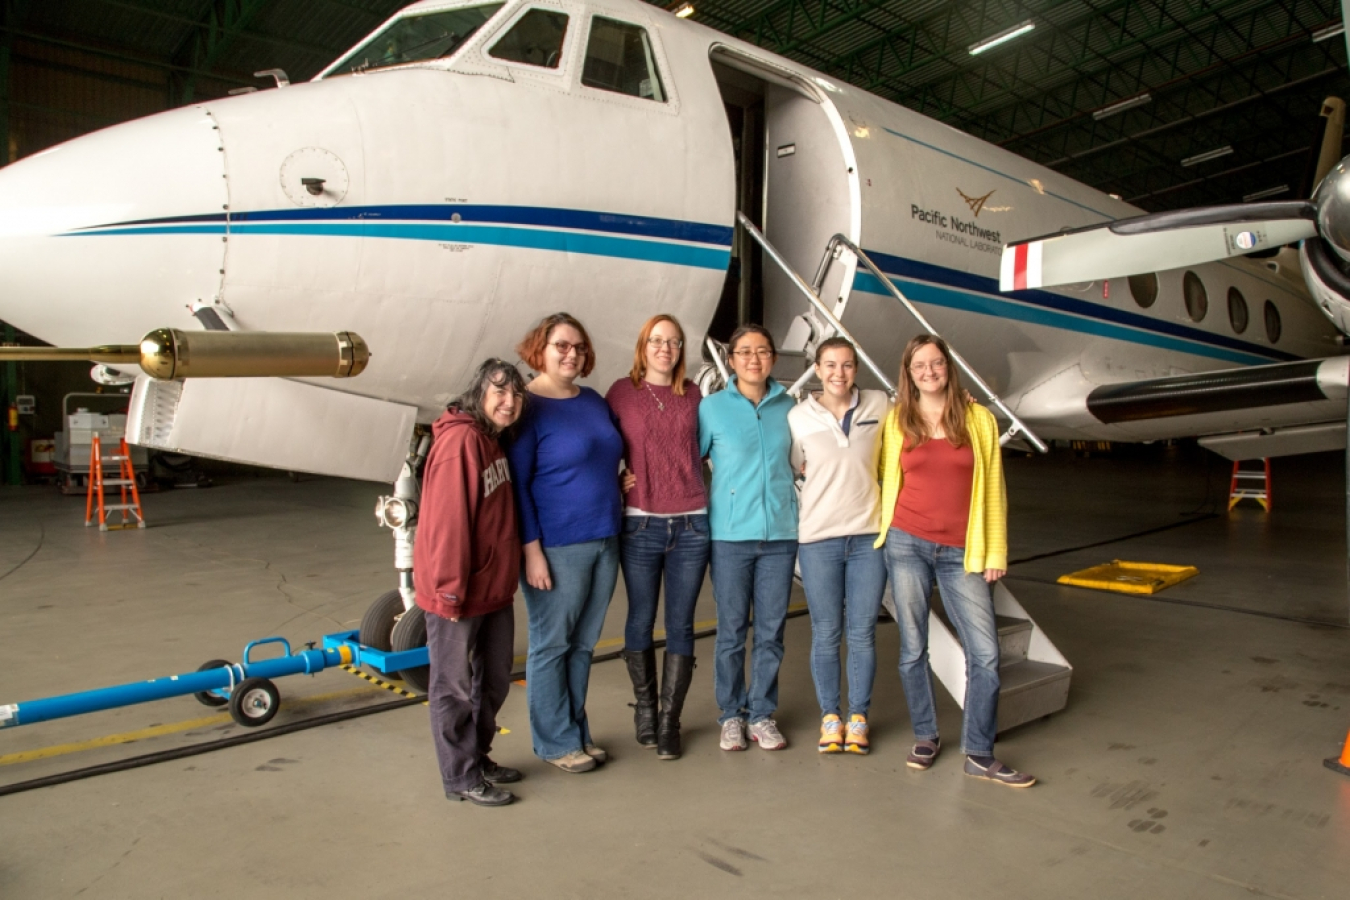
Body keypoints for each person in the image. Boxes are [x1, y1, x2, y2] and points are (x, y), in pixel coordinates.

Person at [877, 335, 1035, 787]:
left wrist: (995, 551)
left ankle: (980, 752)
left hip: (962, 551)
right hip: (906, 543)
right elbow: (882, 476)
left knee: (985, 653)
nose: (928, 371)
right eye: (919, 365)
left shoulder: (978, 419)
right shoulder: (897, 421)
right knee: (912, 648)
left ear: (949, 367)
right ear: (908, 374)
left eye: (936, 363)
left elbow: (995, 487)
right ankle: (926, 734)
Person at [506, 313, 625, 775]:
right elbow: (517, 485)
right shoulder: (528, 407)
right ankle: (554, 742)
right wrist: (531, 549)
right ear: (540, 349)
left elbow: (605, 455)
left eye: (578, 347)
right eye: (561, 345)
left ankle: (576, 732)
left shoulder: (593, 401)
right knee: (551, 645)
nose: (570, 354)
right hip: (556, 545)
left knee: (583, 645)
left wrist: (623, 476)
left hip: (604, 537)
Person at [414, 358, 529, 807]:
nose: (509, 401)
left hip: (491, 590)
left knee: (493, 679)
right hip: (457, 592)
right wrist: (447, 589)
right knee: (454, 687)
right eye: (499, 392)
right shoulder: (461, 442)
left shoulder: (490, 440)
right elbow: (446, 523)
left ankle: (476, 757)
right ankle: (460, 777)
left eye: (516, 394)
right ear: (479, 394)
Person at [606, 314, 708, 760]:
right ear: (643, 345)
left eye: (674, 341)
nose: (665, 348)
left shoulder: (696, 396)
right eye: (657, 340)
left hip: (691, 523)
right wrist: (615, 478)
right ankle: (646, 709)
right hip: (641, 522)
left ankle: (670, 719)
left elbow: (716, 447)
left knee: (682, 623)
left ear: (681, 349)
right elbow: (599, 445)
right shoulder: (620, 393)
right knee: (640, 618)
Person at [698, 324, 797, 752]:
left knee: (772, 632)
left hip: (780, 536)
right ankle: (730, 715)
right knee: (732, 632)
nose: (753, 359)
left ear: (773, 358)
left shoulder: (790, 407)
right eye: (744, 352)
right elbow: (688, 461)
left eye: (761, 351)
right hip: (731, 538)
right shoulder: (712, 409)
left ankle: (761, 714)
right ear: (732, 359)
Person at [788, 337, 889, 755]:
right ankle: (831, 717)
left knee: (863, 633)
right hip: (818, 541)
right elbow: (798, 464)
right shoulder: (798, 417)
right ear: (817, 369)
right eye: (830, 365)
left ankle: (858, 717)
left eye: (847, 365)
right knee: (826, 634)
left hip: (869, 538)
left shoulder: (880, 405)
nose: (838, 374)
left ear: (856, 369)